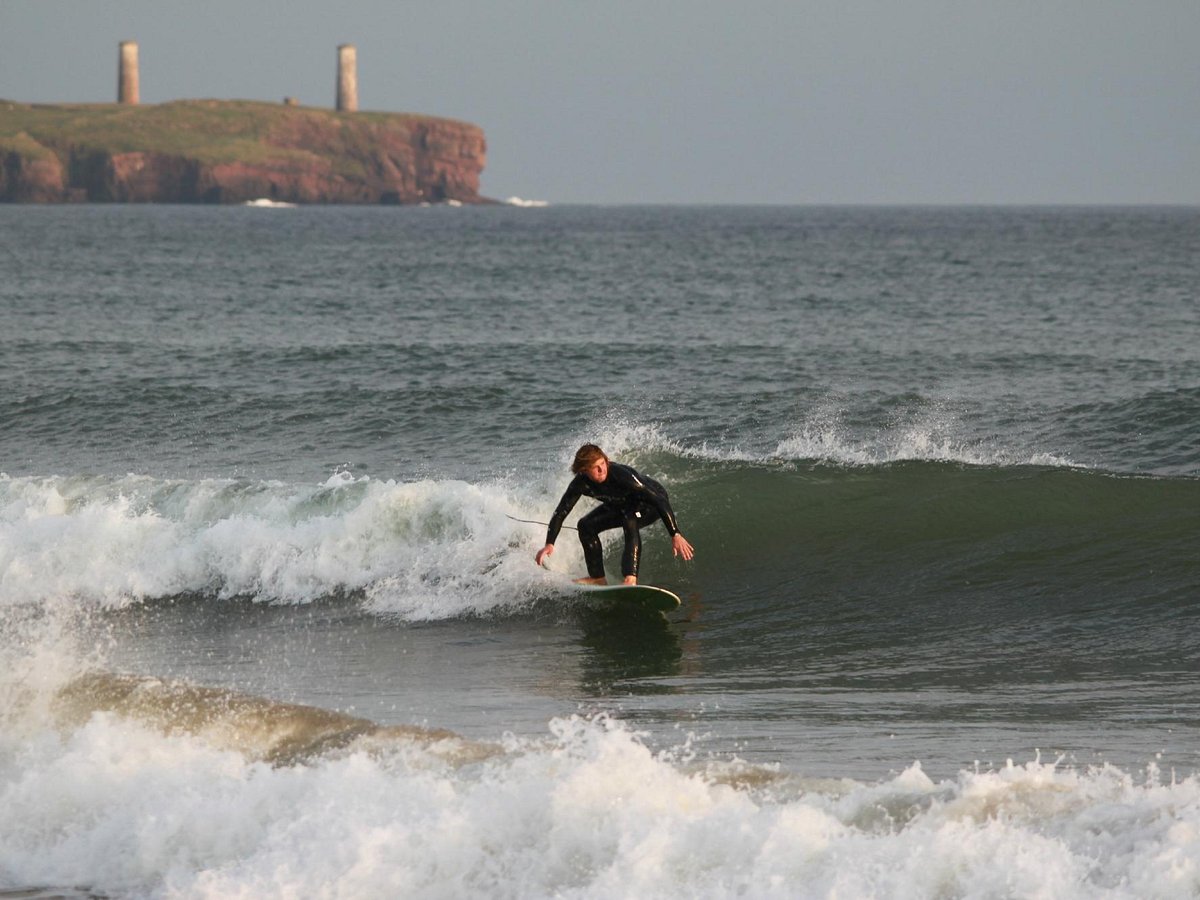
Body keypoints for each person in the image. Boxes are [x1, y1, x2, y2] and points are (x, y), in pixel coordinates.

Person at [535, 444, 695, 585]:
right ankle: (597, 578)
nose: (602, 469)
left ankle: (630, 578)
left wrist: (675, 534)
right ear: (584, 470)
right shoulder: (580, 484)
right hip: (623, 505)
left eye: (603, 463)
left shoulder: (620, 475)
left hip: (650, 505)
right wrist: (550, 543)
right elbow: (562, 510)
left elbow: (658, 499)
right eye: (596, 467)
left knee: (628, 518)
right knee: (585, 526)